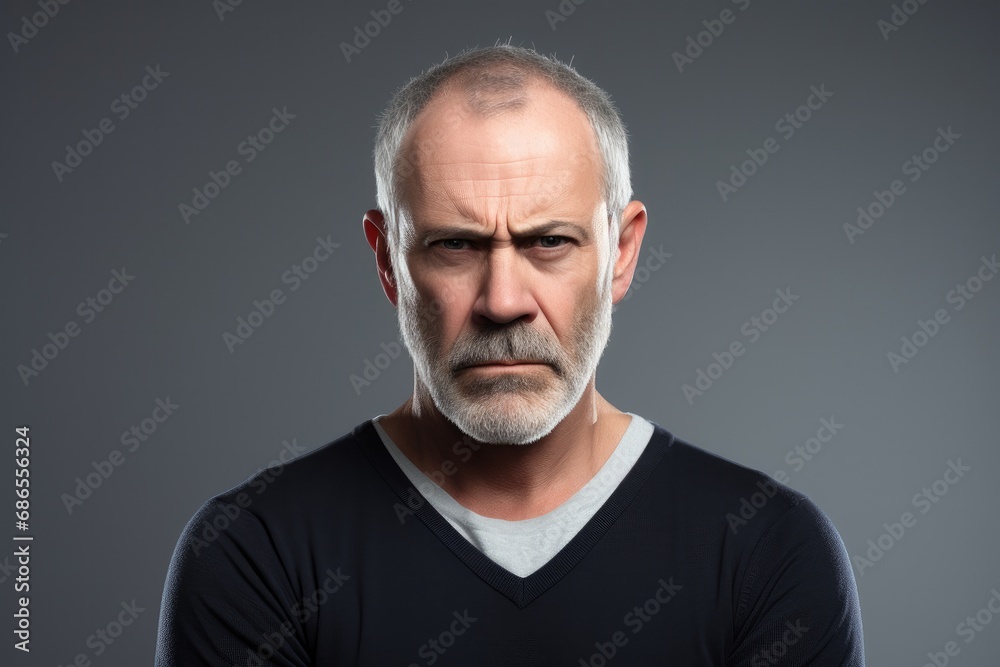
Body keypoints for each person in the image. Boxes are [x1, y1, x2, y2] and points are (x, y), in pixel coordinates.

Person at [154, 43, 865, 666]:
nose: (502, 301)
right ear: (388, 260)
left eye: (548, 242)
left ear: (621, 252)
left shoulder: (767, 552)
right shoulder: (256, 554)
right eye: (455, 244)